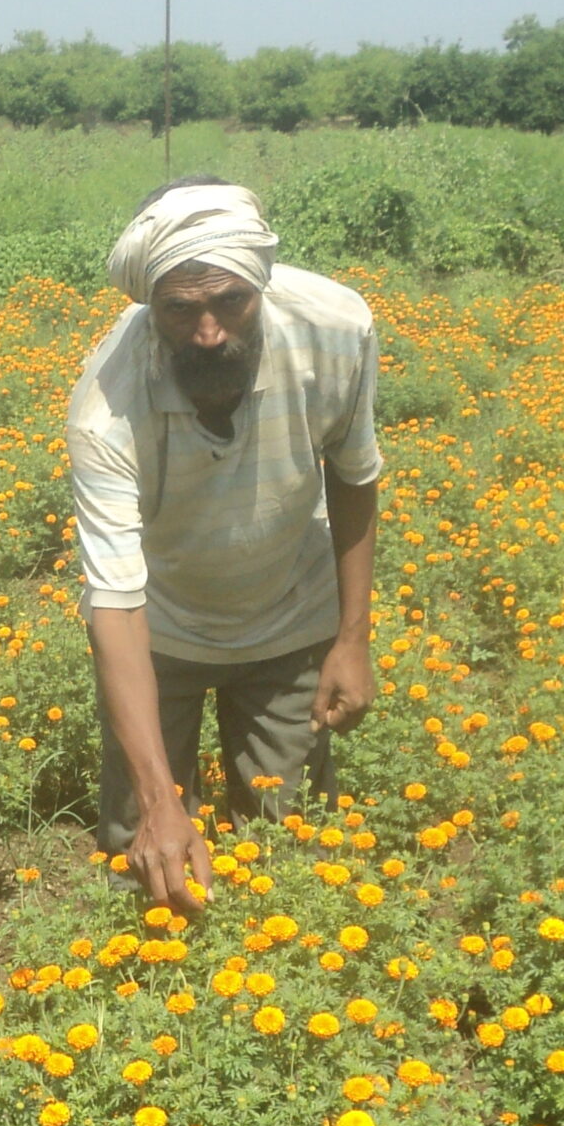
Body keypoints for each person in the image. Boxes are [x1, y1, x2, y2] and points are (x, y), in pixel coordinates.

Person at [67, 177, 381, 914]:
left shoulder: (336, 330)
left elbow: (355, 474)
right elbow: (113, 603)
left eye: (230, 302)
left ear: (260, 286)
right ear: (151, 308)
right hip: (162, 631)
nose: (209, 332)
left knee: (290, 852)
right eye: (181, 310)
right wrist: (157, 800)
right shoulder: (107, 410)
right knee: (147, 853)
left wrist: (352, 640)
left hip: (289, 615)